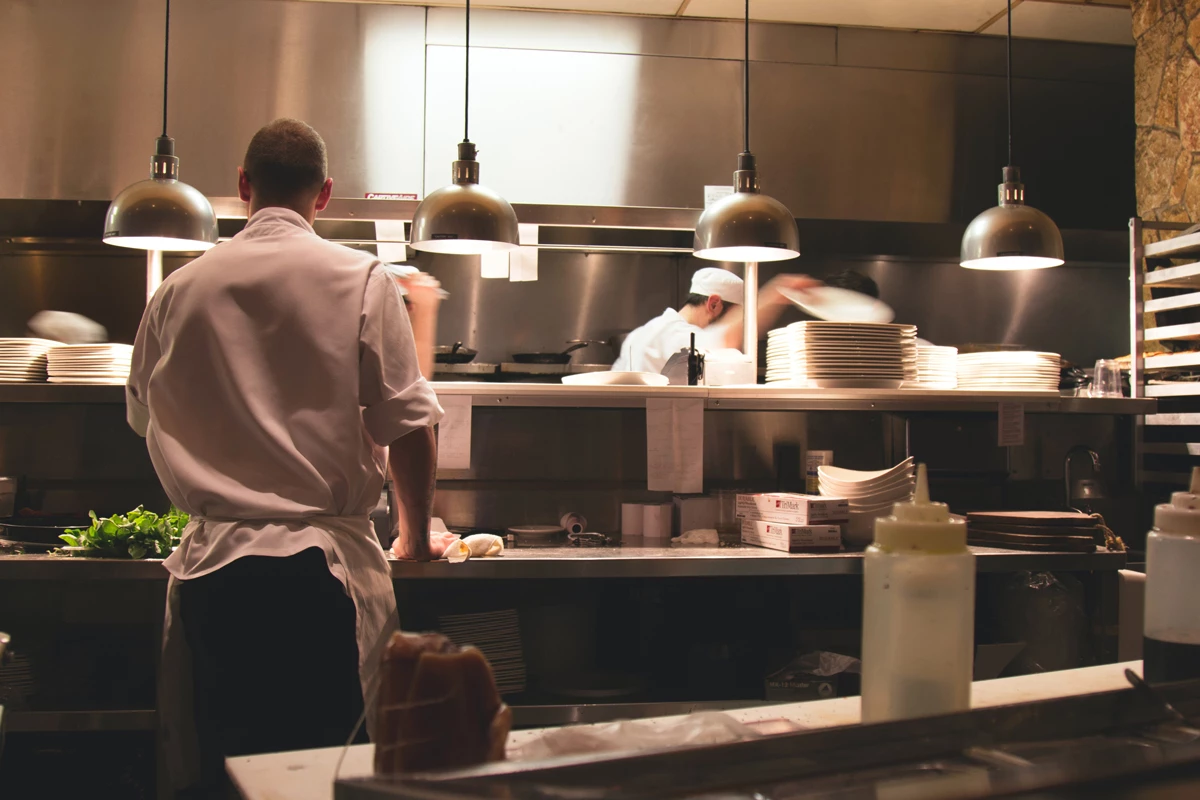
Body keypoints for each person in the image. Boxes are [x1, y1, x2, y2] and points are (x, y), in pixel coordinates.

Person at [126, 118, 444, 797]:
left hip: (215, 577)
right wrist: (413, 536)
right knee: (327, 777)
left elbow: (142, 417)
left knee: (229, 773)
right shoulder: (361, 278)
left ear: (243, 187)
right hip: (317, 580)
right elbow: (410, 424)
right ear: (323, 194)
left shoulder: (177, 290)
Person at [612, 267, 817, 374]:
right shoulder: (676, 335)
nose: (739, 325)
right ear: (714, 304)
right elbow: (724, 339)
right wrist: (778, 292)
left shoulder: (640, 333)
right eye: (736, 317)